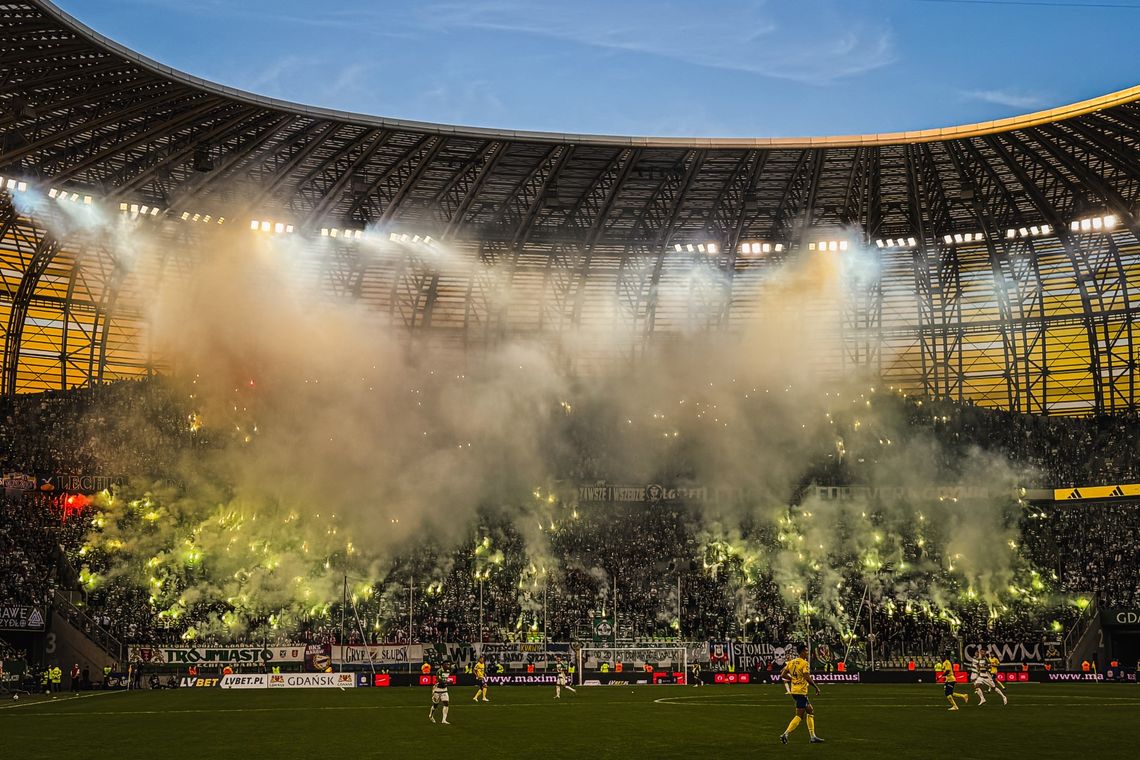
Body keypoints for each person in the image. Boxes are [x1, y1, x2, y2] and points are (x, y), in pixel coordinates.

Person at [778, 644, 824, 744]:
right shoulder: (804, 663)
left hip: (794, 691)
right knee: (799, 715)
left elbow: (783, 674)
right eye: (806, 651)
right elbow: (807, 677)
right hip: (801, 692)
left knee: (810, 711)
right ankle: (785, 734)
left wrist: (793, 679)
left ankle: (813, 736)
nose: (807, 653)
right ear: (802, 652)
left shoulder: (791, 662)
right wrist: (816, 687)